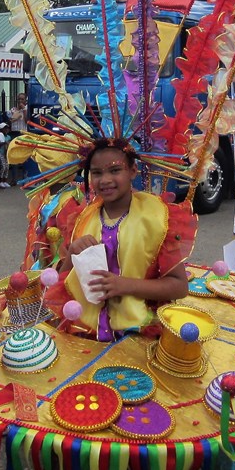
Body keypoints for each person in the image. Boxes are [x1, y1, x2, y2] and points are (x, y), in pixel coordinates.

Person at [45, 137, 196, 341]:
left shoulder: (156, 218)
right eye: (97, 173)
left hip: (137, 330)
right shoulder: (81, 218)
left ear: (133, 171)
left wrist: (124, 285)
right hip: (85, 328)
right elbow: (61, 283)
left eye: (115, 170)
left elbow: (179, 286)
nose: (105, 180)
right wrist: (72, 254)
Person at [6, 91, 29, 184]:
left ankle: (25, 178)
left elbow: (27, 120)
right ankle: (14, 179)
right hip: (14, 134)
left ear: (25, 100)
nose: (20, 101)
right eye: (19, 99)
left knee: (24, 156)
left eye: (22, 99)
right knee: (15, 156)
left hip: (23, 133)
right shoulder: (12, 110)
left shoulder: (27, 108)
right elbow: (10, 121)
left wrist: (24, 110)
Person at [0, 121, 11, 187]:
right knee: (3, 167)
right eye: (5, 128)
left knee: (7, 167)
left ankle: (5, 181)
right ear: (1, 129)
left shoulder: (8, 137)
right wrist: (4, 143)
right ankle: (0, 181)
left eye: (7, 128)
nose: (6, 129)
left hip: (6, 154)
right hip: (1, 153)